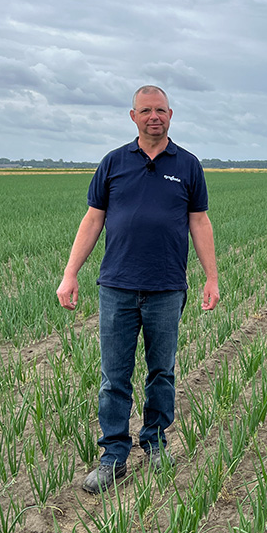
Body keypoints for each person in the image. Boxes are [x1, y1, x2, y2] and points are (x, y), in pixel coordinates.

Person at [57, 84, 219, 494]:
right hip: (117, 286)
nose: (154, 116)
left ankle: (156, 442)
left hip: (166, 286)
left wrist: (211, 277)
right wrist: (70, 273)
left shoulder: (188, 165)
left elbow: (199, 222)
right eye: (146, 110)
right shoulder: (113, 163)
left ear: (170, 115)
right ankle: (113, 455)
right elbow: (93, 220)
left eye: (160, 110)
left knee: (161, 371)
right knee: (114, 376)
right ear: (133, 116)